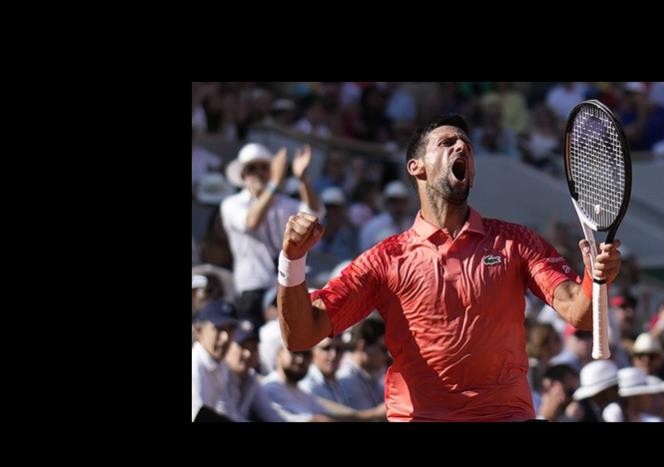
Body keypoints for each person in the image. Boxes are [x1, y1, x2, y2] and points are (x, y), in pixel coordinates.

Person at [276, 114, 622, 422]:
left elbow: (581, 313)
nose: (462, 147)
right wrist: (292, 260)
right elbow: (302, 334)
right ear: (417, 166)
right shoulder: (385, 259)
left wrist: (597, 277)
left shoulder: (516, 242)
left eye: (467, 145)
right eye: (447, 142)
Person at [221, 142, 321, 328]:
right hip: (251, 289)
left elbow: (313, 216)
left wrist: (303, 180)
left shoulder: (282, 203)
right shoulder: (231, 203)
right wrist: (274, 183)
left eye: (264, 167)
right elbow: (251, 222)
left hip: (282, 286)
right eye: (252, 168)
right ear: (243, 175)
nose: (259, 172)